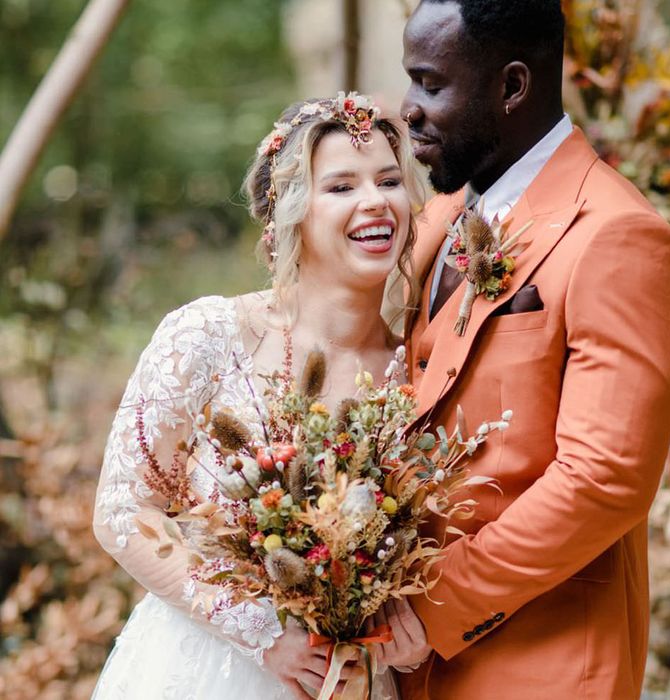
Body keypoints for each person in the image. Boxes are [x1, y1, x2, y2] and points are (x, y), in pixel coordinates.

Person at [375, 1, 670, 698]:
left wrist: (432, 607)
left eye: (430, 84)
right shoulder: (435, 221)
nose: (408, 108)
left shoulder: (620, 237)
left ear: (512, 86)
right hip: (403, 669)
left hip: (541, 665)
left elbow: (603, 480)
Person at [91, 92, 424, 700]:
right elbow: (122, 510)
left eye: (389, 179)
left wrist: (404, 633)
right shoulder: (207, 337)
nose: (376, 201)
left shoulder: (418, 370)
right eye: (342, 187)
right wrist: (262, 635)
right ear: (292, 212)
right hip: (205, 673)